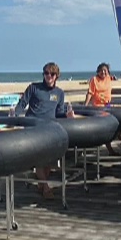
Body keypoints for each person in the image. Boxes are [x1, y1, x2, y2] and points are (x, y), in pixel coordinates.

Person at [14, 62, 75, 199]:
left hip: (49, 129)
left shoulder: (59, 93)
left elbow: (58, 112)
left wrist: (67, 115)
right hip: (33, 127)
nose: (49, 76)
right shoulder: (34, 88)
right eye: (46, 73)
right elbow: (22, 104)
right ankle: (46, 188)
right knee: (40, 160)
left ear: (56, 76)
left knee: (49, 161)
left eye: (52, 74)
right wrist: (15, 117)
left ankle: (42, 184)